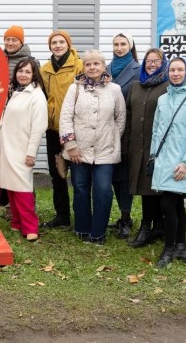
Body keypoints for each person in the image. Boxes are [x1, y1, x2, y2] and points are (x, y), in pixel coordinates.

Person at [60, 50, 125, 245]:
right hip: (78, 149)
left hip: (106, 150)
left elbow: (120, 118)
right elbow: (65, 117)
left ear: (104, 66)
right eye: (88, 64)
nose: (92, 67)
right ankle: (82, 227)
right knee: (80, 188)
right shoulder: (75, 89)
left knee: (103, 190)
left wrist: (112, 138)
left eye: (96, 64)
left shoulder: (115, 89)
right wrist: (71, 145)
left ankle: (98, 232)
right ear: (84, 67)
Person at [151, 57, 186, 268]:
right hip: (163, 161)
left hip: (181, 164)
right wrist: (153, 156)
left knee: (167, 203)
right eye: (172, 70)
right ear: (168, 73)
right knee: (175, 204)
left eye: (179, 70)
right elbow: (157, 131)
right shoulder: (163, 100)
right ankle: (181, 244)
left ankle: (168, 249)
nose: (176, 73)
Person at [0, 57, 48, 242]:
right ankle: (17, 222)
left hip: (21, 147)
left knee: (23, 187)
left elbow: (39, 126)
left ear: (34, 75)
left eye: (27, 72)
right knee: (10, 186)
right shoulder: (12, 91)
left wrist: (31, 151)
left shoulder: (36, 95)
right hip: (7, 145)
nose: (23, 75)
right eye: (20, 71)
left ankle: (31, 227)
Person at [123, 48, 169, 248]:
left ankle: (155, 226)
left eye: (157, 61)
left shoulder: (168, 85)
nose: (152, 64)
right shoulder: (135, 86)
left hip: (158, 146)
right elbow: (128, 116)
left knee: (156, 187)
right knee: (144, 187)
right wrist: (126, 145)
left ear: (163, 63)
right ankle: (148, 226)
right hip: (137, 146)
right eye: (148, 61)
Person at [40, 30, 84, 229]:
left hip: (75, 129)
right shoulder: (45, 69)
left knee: (78, 175)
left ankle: (81, 215)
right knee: (57, 174)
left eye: (61, 42)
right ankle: (62, 215)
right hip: (53, 129)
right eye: (54, 43)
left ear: (68, 44)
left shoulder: (79, 65)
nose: (57, 45)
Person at [106, 32, 141, 239]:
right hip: (105, 131)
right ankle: (121, 216)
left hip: (127, 131)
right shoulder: (107, 69)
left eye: (123, 44)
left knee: (124, 178)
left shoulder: (137, 70)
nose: (119, 48)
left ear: (130, 45)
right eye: (116, 44)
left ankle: (126, 217)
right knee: (112, 176)